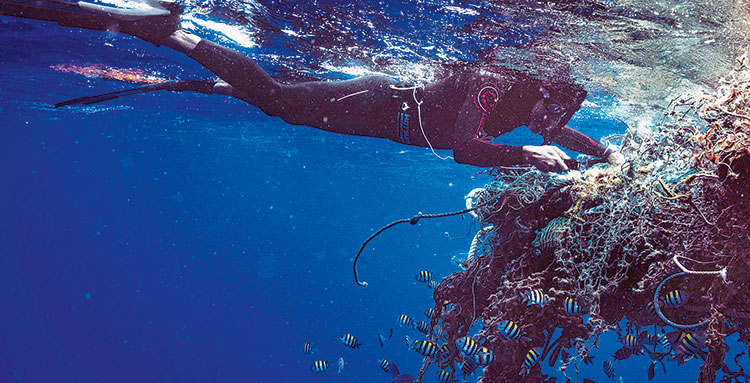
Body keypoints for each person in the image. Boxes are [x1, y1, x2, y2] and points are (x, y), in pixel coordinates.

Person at [0, 0, 625, 171]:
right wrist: (522, 154)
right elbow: (465, 148)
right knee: (275, 102)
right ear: (540, 85)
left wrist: (610, 153)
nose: (552, 120)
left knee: (274, 93)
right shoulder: (493, 85)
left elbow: (557, 133)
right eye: (553, 104)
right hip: (377, 104)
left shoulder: (536, 109)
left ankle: (194, 68)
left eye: (564, 109)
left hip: (379, 111)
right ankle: (174, 35)